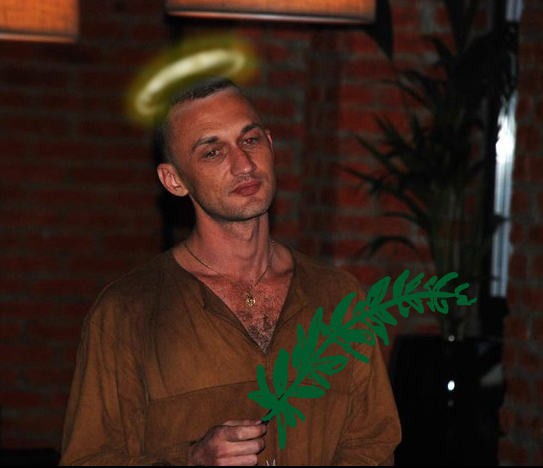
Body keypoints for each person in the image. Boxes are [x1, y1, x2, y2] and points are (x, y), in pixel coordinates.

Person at [60, 77, 401, 466]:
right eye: (213, 152)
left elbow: (374, 445)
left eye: (250, 140)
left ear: (270, 144)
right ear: (174, 180)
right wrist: (191, 461)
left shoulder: (339, 298)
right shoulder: (127, 312)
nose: (244, 165)